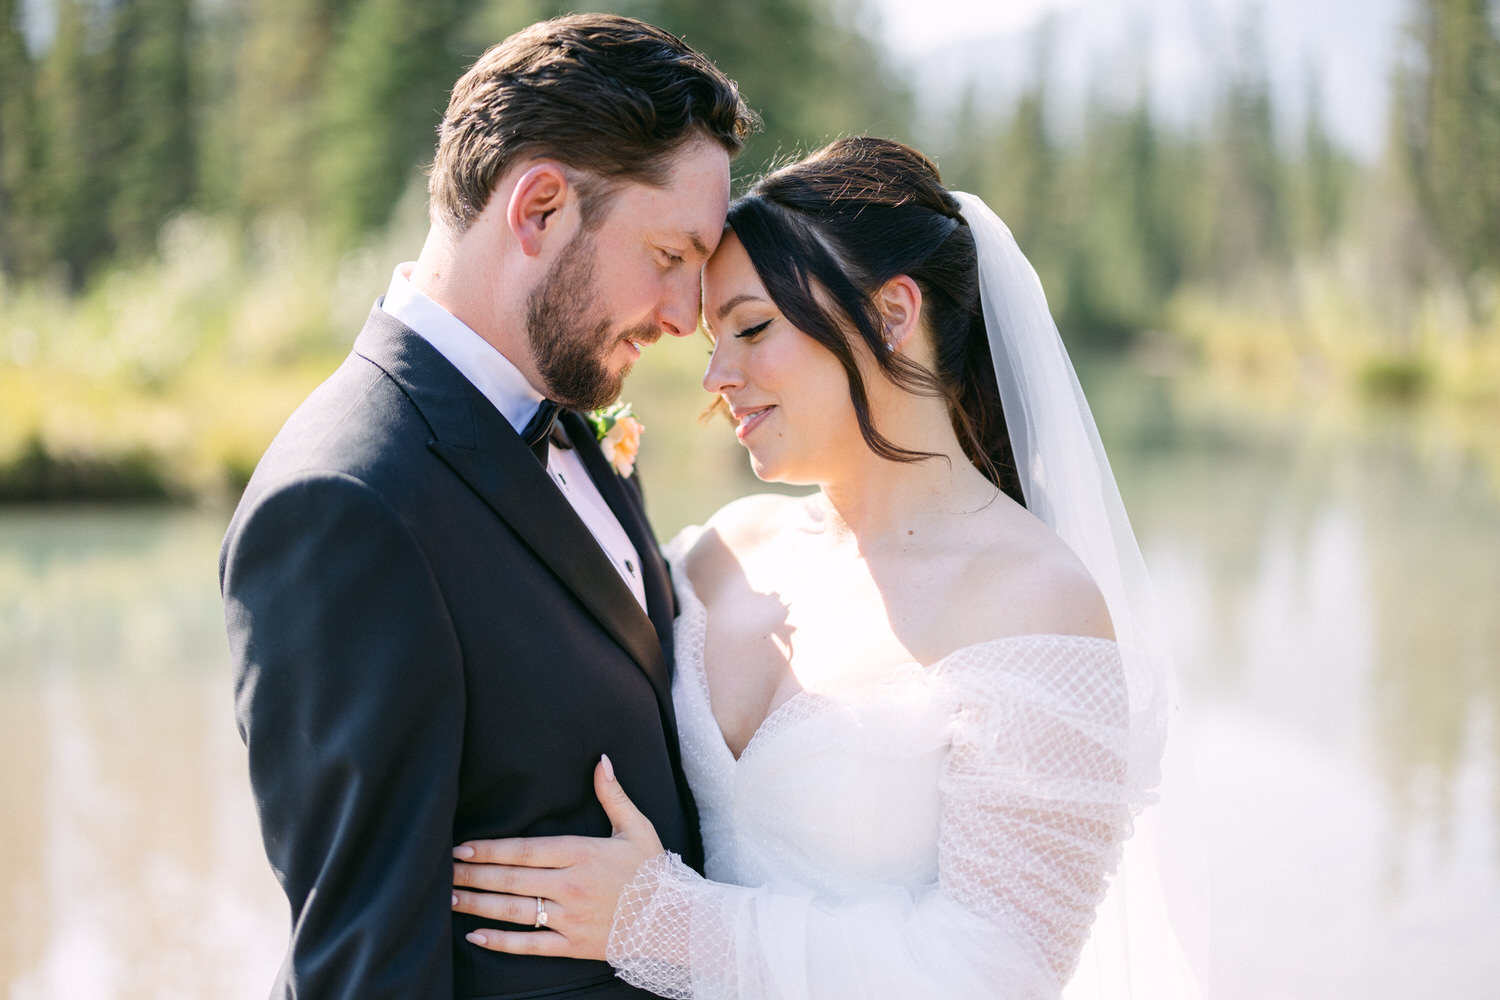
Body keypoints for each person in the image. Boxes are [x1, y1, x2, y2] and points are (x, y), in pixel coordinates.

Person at [449, 137, 1202, 999]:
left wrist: (661, 922)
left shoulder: (1036, 605)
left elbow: (995, 971)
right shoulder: (721, 555)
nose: (716, 377)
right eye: (709, 341)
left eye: (754, 328)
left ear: (892, 313)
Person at [219, 14, 757, 999]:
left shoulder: (568, 410)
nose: (687, 317)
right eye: (671, 254)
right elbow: (366, 966)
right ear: (541, 208)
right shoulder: (344, 509)